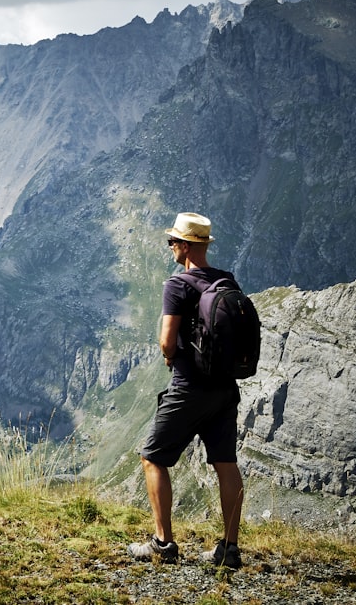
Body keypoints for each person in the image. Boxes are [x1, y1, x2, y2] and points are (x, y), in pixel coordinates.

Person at [127, 212, 244, 568]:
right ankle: (230, 548)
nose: (170, 247)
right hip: (224, 388)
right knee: (226, 464)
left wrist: (170, 357)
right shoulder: (227, 280)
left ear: (186, 246)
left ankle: (163, 543)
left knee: (153, 458)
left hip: (188, 388)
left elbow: (166, 342)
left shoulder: (177, 285)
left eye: (173, 241)